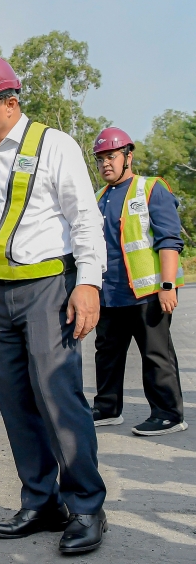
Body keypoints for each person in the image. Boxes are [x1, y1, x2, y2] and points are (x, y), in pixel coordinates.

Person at [0, 55, 108, 554]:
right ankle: (41, 501)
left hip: (50, 288)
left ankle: (86, 507)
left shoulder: (54, 145)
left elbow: (84, 220)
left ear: (8, 104)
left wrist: (90, 284)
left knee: (59, 398)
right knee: (16, 403)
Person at [91, 127, 188, 436]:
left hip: (147, 294)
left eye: (111, 157)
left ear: (128, 156)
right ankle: (107, 408)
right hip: (110, 294)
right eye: (100, 159)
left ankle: (168, 414)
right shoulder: (99, 197)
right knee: (106, 353)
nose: (106, 163)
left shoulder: (150, 188)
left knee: (156, 355)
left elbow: (169, 240)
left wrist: (168, 285)